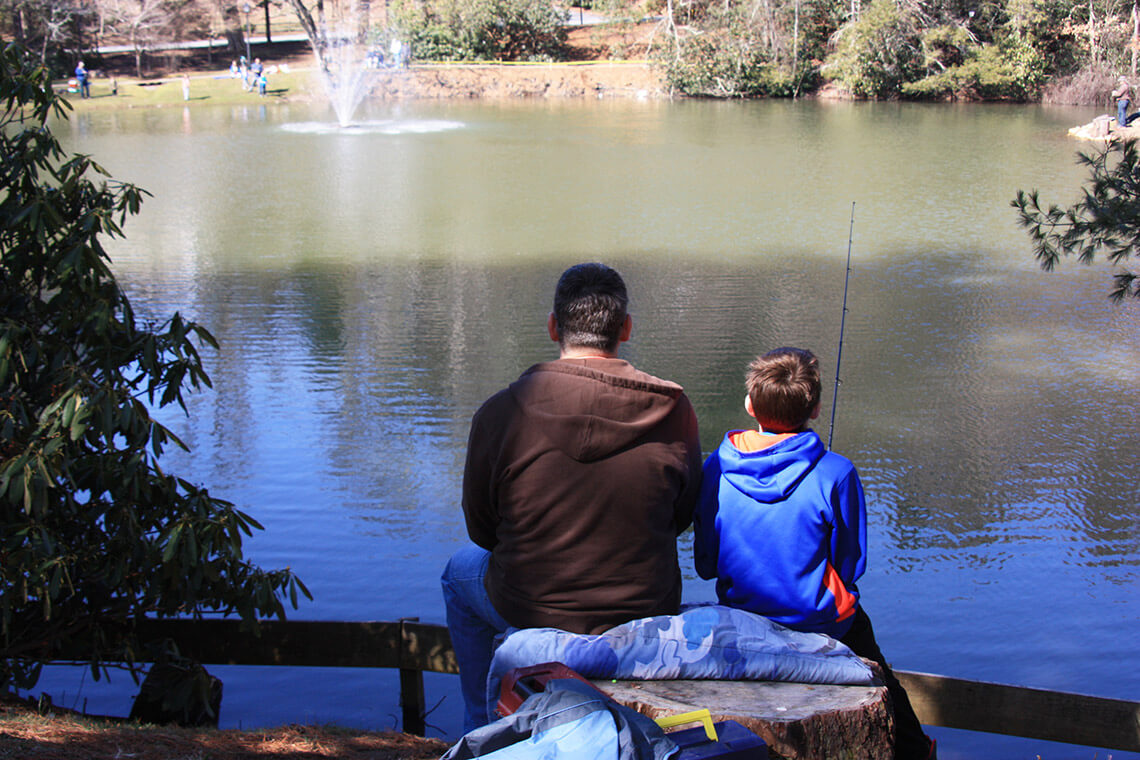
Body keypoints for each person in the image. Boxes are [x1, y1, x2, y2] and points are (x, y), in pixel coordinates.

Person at [442, 262, 703, 733]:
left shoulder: (500, 413)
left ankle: (482, 729)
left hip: (528, 605)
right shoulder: (675, 410)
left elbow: (482, 529)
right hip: (644, 603)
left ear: (552, 326)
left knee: (459, 574)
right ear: (624, 328)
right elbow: (681, 516)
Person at [693, 347, 937, 760]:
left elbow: (704, 564)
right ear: (817, 408)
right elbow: (850, 566)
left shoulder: (715, 466)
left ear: (749, 404)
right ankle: (917, 753)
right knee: (885, 684)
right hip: (822, 624)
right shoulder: (836, 472)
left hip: (742, 621)